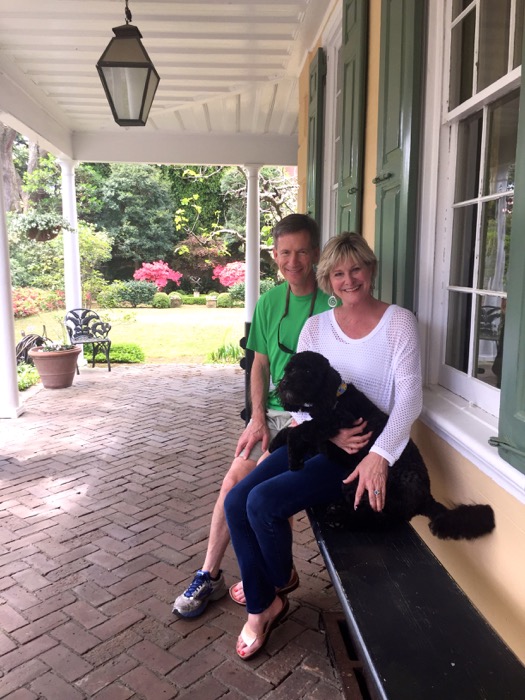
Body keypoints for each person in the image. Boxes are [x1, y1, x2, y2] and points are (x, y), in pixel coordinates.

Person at [224, 232, 423, 659]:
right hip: (318, 436)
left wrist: (379, 455)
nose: (349, 280)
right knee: (236, 499)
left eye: (356, 269)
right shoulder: (316, 327)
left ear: (370, 270)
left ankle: (265, 599)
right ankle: (269, 596)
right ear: (328, 279)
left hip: (357, 448)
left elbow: (409, 398)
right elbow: (297, 397)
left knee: (262, 503)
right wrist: (325, 430)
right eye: (338, 273)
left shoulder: (399, 322)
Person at [172, 214, 347, 618]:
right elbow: (259, 365)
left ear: (316, 253)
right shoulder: (269, 302)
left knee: (243, 482)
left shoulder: (334, 300)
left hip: (311, 419)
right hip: (273, 414)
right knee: (236, 475)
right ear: (274, 255)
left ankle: (261, 578)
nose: (294, 260)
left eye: (302, 250)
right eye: (285, 252)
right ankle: (218, 573)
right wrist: (255, 417)